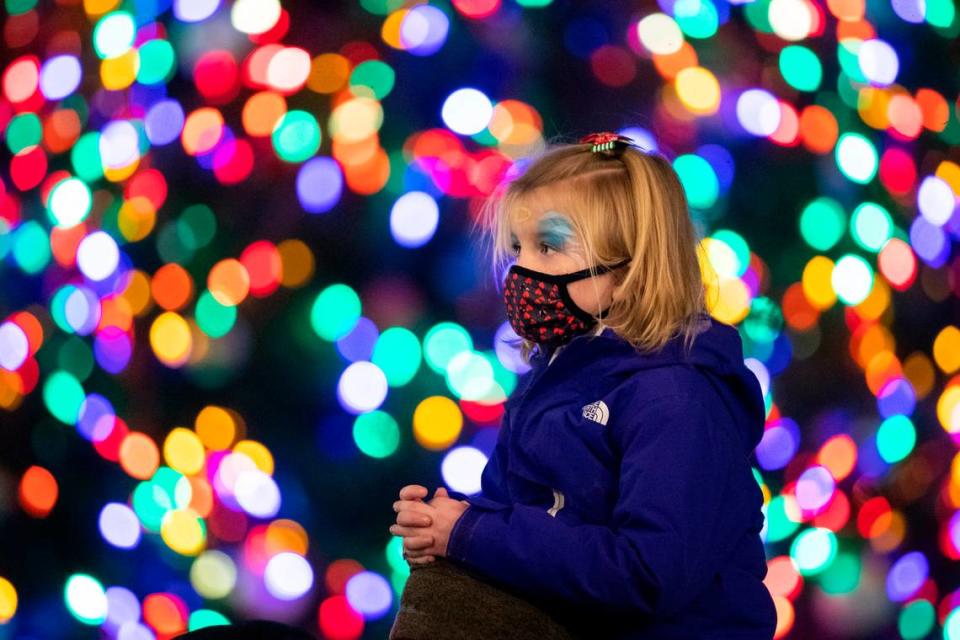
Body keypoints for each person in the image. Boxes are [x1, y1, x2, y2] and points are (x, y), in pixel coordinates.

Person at [388, 132, 778, 638]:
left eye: (548, 246)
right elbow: (523, 511)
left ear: (630, 268)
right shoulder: (556, 372)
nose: (521, 270)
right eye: (517, 248)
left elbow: (646, 576)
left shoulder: (676, 398)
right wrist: (450, 521)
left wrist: (473, 534)